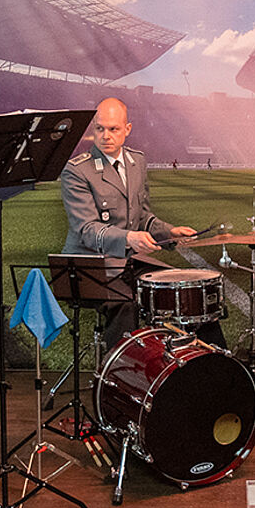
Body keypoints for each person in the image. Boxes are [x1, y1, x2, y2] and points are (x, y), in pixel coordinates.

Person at [59, 97, 197, 347]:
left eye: (113, 129)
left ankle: (198, 363)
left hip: (128, 263)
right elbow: (87, 230)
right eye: (100, 128)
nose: (106, 136)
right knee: (126, 303)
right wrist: (128, 238)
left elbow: (142, 216)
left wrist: (170, 232)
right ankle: (121, 368)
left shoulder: (137, 162)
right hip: (89, 267)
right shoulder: (77, 170)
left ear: (127, 129)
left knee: (182, 289)